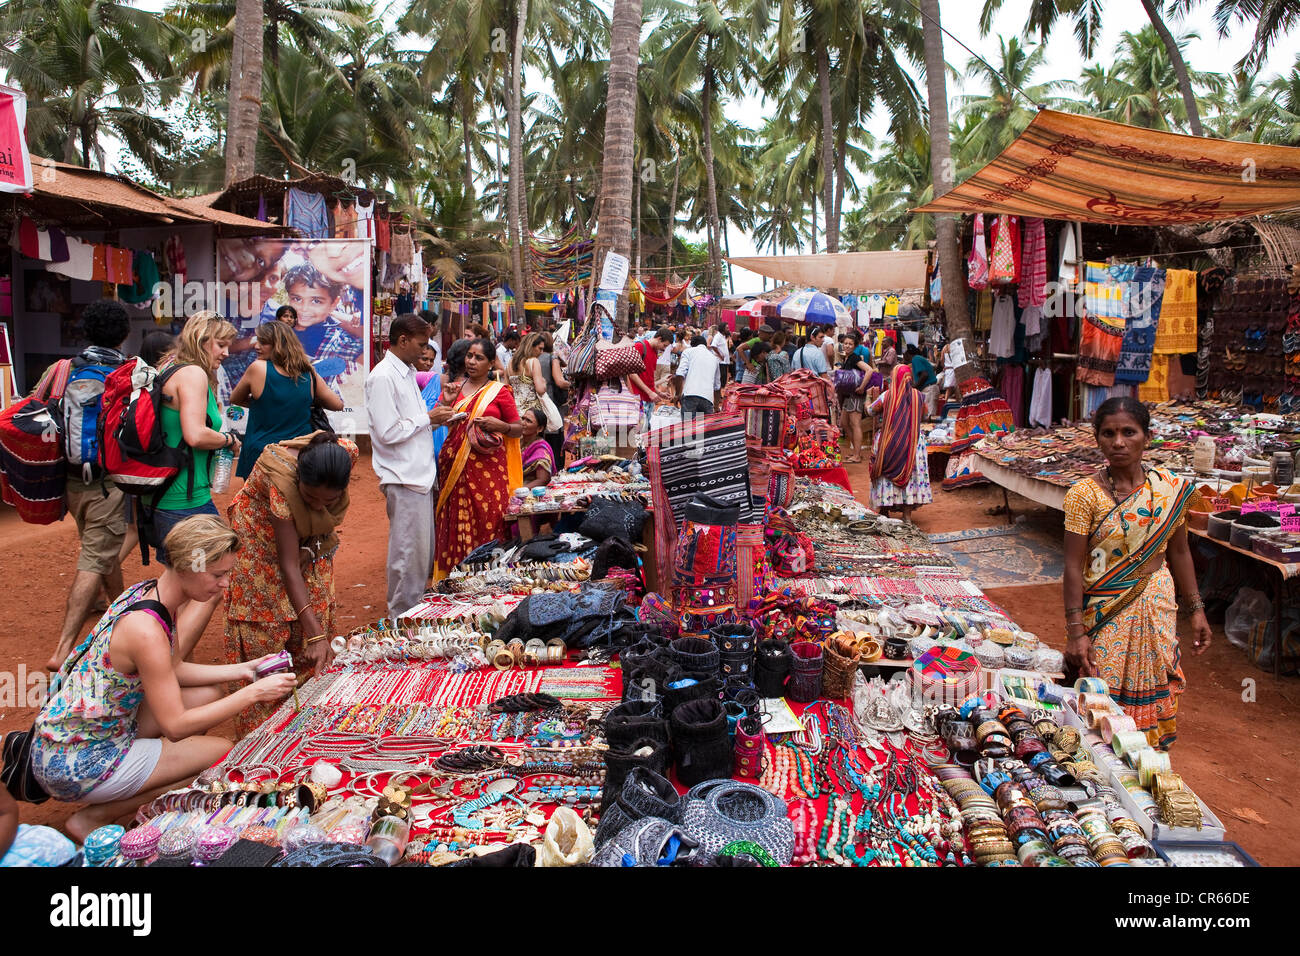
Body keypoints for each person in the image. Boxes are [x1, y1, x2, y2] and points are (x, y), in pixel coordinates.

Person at [30, 515, 297, 840]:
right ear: (187, 568)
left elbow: (174, 667)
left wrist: (248, 670)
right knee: (219, 753)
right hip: (77, 758)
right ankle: (97, 816)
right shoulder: (146, 630)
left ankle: (147, 768)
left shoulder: (149, 595)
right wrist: (253, 693)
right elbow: (175, 724)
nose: (225, 584)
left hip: (69, 736)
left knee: (207, 695)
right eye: (218, 574)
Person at [1062, 397, 1210, 751]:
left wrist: (1197, 610)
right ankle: (1101, 764)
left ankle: (1148, 757)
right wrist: (1075, 632)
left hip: (1157, 598)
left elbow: (1179, 551)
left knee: (1155, 674)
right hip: (1105, 605)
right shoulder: (1083, 496)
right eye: (1108, 433)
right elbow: (1071, 564)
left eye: (1129, 432)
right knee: (1101, 685)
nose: (1118, 442)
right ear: (1097, 438)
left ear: (1147, 437)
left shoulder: (1169, 489)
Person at [225, 432, 358, 737]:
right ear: (299, 480)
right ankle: (262, 742)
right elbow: (287, 564)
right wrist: (316, 637)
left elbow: (305, 552)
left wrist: (311, 546)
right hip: (261, 548)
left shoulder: (344, 454)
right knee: (267, 632)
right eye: (310, 499)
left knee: (314, 611)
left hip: (307, 543)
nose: (318, 506)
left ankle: (306, 732)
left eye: (330, 501)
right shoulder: (281, 486)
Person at [45, 300, 132, 672]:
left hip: (69, 479)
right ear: (124, 334)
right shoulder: (126, 371)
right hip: (106, 483)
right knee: (96, 555)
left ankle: (118, 613)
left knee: (101, 547)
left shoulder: (61, 369)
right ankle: (64, 646)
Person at [366, 314, 454, 617]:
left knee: (418, 557)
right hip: (403, 477)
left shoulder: (404, 372)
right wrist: (429, 418)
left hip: (418, 475)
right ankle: (401, 621)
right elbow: (388, 431)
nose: (424, 351)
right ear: (402, 341)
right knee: (406, 557)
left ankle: (410, 615)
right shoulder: (382, 377)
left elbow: (411, 424)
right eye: (420, 344)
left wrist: (438, 415)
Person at [149, 312, 240, 567]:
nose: (226, 352)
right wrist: (228, 440)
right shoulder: (192, 374)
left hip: (162, 493)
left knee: (182, 581)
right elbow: (195, 434)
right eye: (221, 345)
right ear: (201, 340)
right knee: (214, 575)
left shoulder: (169, 367)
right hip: (184, 498)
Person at [433, 337, 523, 580]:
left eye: (479, 358)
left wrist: (500, 425)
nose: (471, 362)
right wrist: (446, 402)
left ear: (491, 362)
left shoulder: (499, 392)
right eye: (469, 356)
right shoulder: (455, 387)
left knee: (488, 519)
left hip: (488, 473)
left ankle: (488, 580)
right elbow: (436, 421)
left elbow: (518, 428)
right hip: (453, 469)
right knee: (454, 522)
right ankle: (453, 579)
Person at [230, 321, 342, 479]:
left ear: (279, 345)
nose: (256, 346)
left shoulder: (258, 368)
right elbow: (337, 404)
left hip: (261, 453)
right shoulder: (309, 373)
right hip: (297, 453)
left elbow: (235, 398)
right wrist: (302, 402)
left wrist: (263, 404)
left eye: (264, 342)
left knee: (258, 502)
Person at [283, 264, 362, 392]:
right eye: (297, 299)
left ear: (333, 304)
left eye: (316, 301)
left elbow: (365, 353)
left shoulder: (336, 340)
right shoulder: (281, 330)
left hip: (321, 407)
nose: (304, 308)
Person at [868, 365, 932, 521]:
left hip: (889, 441)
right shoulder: (919, 396)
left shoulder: (887, 396)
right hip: (913, 442)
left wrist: (868, 398)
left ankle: (885, 511)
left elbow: (870, 411)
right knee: (910, 476)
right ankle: (907, 516)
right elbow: (925, 414)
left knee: (885, 475)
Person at [838, 334, 877, 464]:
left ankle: (857, 455)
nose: (847, 345)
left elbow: (869, 370)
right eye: (845, 343)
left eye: (850, 344)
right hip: (849, 395)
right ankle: (856, 451)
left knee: (855, 424)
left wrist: (862, 387)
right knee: (844, 423)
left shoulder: (854, 358)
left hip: (856, 395)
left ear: (854, 346)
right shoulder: (848, 358)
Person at [674, 334, 721, 419]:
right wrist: (716, 407)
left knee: (688, 428)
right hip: (707, 399)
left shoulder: (688, 352)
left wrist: (677, 394)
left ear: (692, 345)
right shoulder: (714, 358)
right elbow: (717, 386)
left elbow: (680, 373)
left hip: (690, 396)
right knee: (701, 430)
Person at [415, 344, 448, 461]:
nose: (428, 363)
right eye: (424, 359)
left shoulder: (431, 378)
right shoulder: (413, 376)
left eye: (431, 360)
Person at [508, 331, 548, 419]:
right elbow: (540, 390)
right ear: (531, 347)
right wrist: (544, 383)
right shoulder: (533, 361)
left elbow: (506, 388)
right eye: (540, 348)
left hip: (514, 411)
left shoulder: (510, 362)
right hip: (531, 413)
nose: (541, 352)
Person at [520, 407, 555, 489]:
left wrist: (519, 491)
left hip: (527, 492)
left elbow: (543, 479)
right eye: (523, 419)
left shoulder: (541, 450)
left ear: (540, 428)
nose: (523, 423)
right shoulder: (517, 441)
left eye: (528, 421)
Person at [906, 344, 940, 418]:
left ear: (907, 354)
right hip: (929, 389)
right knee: (925, 415)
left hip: (929, 389)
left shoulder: (916, 359)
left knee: (928, 416)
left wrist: (915, 386)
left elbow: (924, 375)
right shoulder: (918, 358)